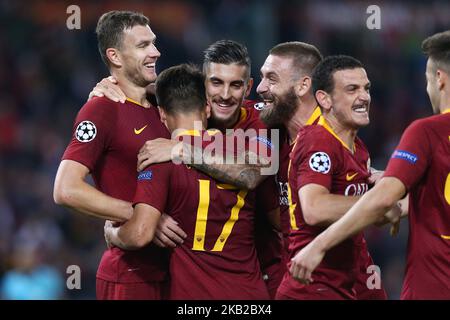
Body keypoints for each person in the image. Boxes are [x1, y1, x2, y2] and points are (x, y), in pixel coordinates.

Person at [91, 40, 283, 298]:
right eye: (216, 82)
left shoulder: (258, 123)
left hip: (257, 271)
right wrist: (108, 87)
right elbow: (155, 87)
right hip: (244, 287)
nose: (225, 95)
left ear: (248, 87)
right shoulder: (227, 141)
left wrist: (180, 149)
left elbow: (252, 175)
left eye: (235, 85)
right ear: (202, 89)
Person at [285, 31, 450, 300]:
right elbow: (314, 209)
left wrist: (385, 197)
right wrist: (383, 200)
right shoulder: (317, 139)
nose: (364, 97)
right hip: (314, 288)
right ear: (324, 99)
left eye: (366, 88)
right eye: (353, 89)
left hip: (414, 284)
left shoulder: (420, 134)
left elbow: (395, 200)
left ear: (439, 79)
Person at [53, 11, 175, 300]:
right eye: (143, 45)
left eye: (154, 43)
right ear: (115, 57)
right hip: (132, 275)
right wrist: (141, 216)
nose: (155, 52)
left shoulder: (165, 104)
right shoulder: (101, 109)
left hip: (178, 268)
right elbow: (65, 189)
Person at [256, 43, 388, 299]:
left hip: (346, 277)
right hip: (307, 278)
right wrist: (182, 148)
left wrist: (389, 187)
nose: (260, 88)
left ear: (304, 86)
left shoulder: (345, 137)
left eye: (271, 78)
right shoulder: (266, 124)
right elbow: (312, 210)